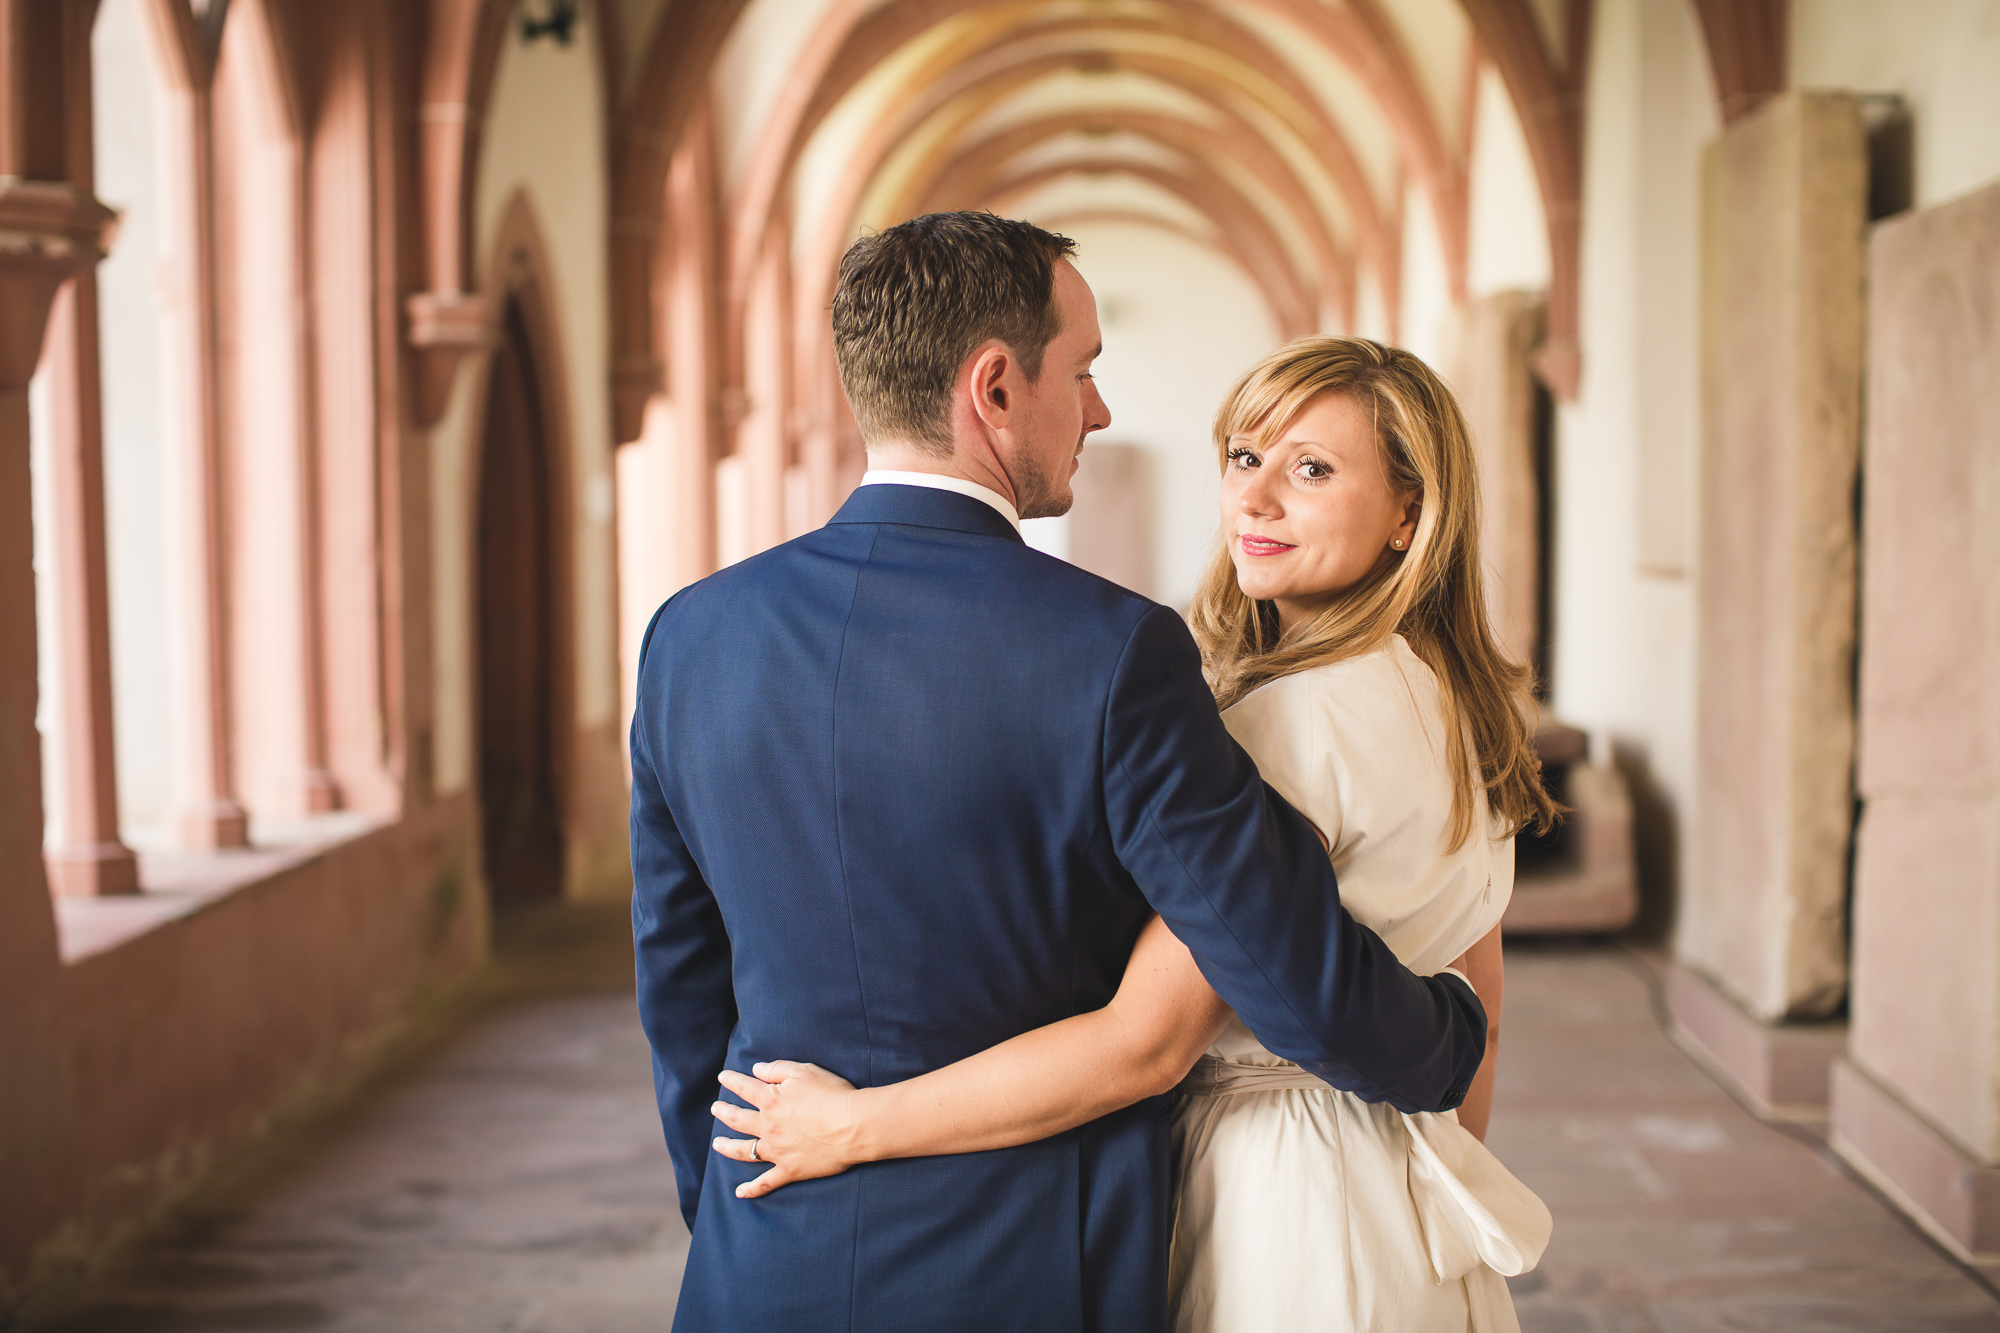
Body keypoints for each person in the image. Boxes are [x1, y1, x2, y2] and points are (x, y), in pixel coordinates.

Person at [629, 212, 1487, 1333]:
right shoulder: (1113, 652)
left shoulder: (690, 635)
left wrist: (731, 1208)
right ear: (995, 388)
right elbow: (1285, 969)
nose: (1099, 409)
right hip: (1030, 1266)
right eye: (1081, 372)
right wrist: (1451, 1034)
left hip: (764, 1248)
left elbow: (681, 986)